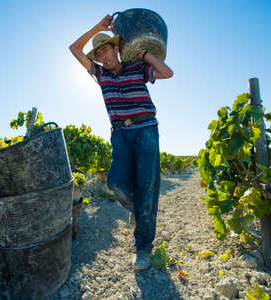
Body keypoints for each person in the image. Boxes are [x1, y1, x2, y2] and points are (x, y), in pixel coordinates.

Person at [69, 14, 173, 272]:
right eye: (98, 55)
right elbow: (73, 49)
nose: (102, 57)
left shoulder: (138, 68)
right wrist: (99, 27)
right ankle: (138, 211)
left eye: (106, 50)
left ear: (117, 48)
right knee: (115, 182)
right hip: (120, 135)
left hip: (146, 129)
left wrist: (144, 53)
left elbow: (166, 72)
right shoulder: (100, 76)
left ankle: (143, 249)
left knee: (147, 189)